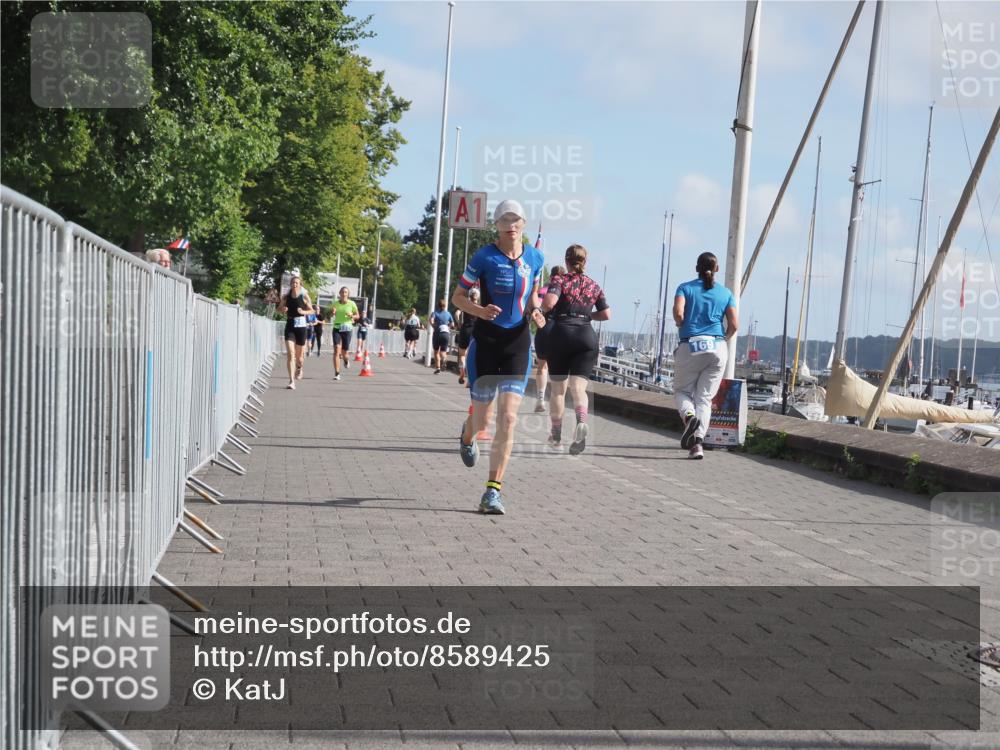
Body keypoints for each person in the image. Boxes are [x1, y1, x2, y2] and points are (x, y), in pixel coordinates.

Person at [452, 199, 546, 515]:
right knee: (482, 421)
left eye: (516, 220)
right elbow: (457, 297)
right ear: (497, 225)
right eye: (505, 220)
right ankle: (467, 436)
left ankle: (492, 491)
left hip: (517, 343)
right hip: (487, 343)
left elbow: (533, 295)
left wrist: (536, 311)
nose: (511, 225)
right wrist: (479, 311)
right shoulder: (484, 257)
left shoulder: (535, 258)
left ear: (523, 223)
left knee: (508, 418)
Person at [541, 248, 609, 454]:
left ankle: (556, 436)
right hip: (586, 337)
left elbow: (549, 303)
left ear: (566, 261)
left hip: (561, 335)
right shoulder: (594, 285)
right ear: (585, 261)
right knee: (579, 388)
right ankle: (581, 421)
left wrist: (541, 309)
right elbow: (606, 314)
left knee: (558, 390)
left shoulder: (560, 280)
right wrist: (587, 316)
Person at [672, 251, 739, 459]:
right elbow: (734, 324)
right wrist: (723, 339)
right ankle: (697, 444)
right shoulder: (726, 293)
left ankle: (689, 417)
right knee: (705, 399)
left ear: (696, 268)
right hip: (718, 347)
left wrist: (681, 324)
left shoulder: (685, 288)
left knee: (682, 391)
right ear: (717, 269)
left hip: (691, 344)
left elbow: (678, 313)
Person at [532, 265, 566, 413]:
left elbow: (537, 307)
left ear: (551, 275)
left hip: (544, 328)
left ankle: (540, 399)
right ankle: (556, 400)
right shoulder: (565, 290)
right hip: (560, 330)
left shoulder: (544, 289)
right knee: (558, 369)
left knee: (542, 366)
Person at [279, 276, 314, 389]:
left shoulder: (304, 296)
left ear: (300, 285)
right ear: (290, 284)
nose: (294, 284)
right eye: (293, 283)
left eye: (297, 283)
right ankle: (291, 381)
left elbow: (312, 310)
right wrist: (283, 309)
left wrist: (303, 311)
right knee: (291, 353)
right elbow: (279, 309)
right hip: (290, 325)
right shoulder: (286, 297)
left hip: (301, 327)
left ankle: (299, 367)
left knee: (299, 358)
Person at [330, 286, 359, 381]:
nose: (343, 294)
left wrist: (352, 316)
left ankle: (346, 361)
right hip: (337, 328)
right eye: (342, 292)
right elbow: (331, 314)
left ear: (348, 294)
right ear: (339, 293)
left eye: (345, 292)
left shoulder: (352, 304)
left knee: (344, 352)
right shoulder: (335, 303)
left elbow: (357, 316)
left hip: (347, 328)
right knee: (336, 349)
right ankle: (337, 373)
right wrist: (332, 312)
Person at [455, 286, 480, 385]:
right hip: (475, 331)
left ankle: (462, 372)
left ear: (469, 295)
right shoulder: (480, 307)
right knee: (472, 356)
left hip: (465, 329)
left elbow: (457, 314)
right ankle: (470, 380)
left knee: (462, 354)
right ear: (478, 297)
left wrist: (459, 323)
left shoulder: (465, 305)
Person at [430, 299, 455, 374]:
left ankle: (438, 368)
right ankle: (444, 359)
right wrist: (448, 327)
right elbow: (452, 324)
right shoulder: (448, 313)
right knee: (443, 351)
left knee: (436, 352)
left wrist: (434, 326)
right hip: (446, 334)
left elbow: (431, 320)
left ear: (438, 305)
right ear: (445, 305)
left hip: (437, 333)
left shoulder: (435, 313)